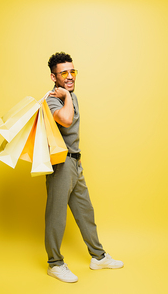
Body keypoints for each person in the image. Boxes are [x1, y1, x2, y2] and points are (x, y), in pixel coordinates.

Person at [45, 52, 123, 283]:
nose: (69, 76)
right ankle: (54, 263)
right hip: (59, 165)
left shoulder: (70, 96)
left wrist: (78, 159)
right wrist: (66, 96)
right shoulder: (53, 98)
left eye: (72, 72)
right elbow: (66, 121)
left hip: (74, 163)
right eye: (64, 73)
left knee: (85, 211)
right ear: (53, 77)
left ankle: (98, 257)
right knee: (56, 216)